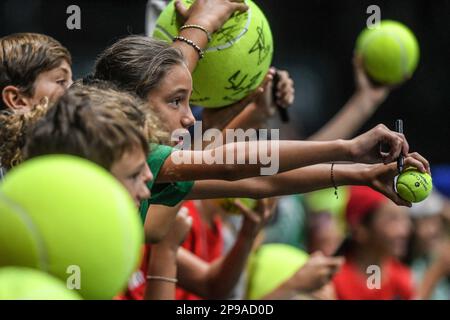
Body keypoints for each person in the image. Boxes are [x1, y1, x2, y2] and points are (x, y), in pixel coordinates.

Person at [332, 186, 414, 300]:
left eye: (405, 218)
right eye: (392, 219)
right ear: (360, 229)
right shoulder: (332, 282)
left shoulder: (403, 279)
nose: (404, 231)